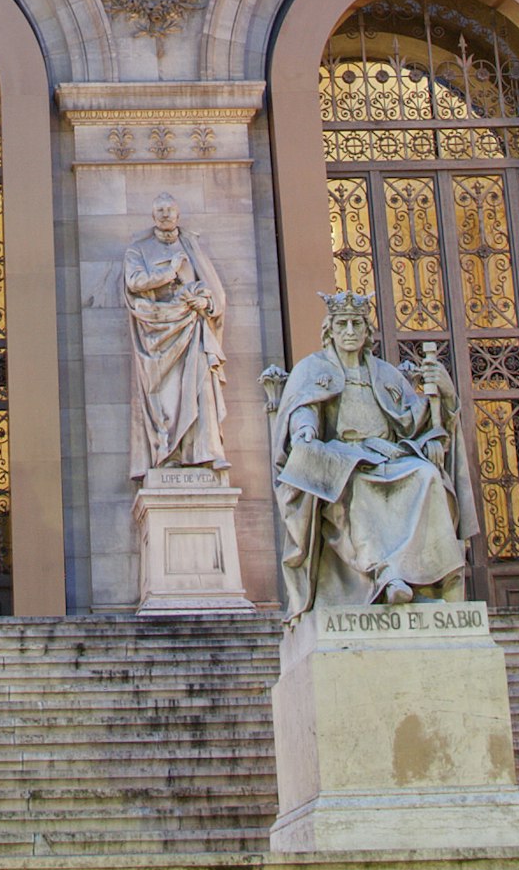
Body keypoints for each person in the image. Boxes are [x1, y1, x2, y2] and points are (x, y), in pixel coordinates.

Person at [272, 290, 468, 613]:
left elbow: (418, 421)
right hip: (344, 458)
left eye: (356, 324)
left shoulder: (386, 374)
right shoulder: (312, 369)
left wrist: (445, 394)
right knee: (355, 487)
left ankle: (444, 577)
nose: (350, 331)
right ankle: (385, 574)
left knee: (428, 476)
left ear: (367, 331)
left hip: (388, 457)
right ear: (330, 330)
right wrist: (303, 429)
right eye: (342, 324)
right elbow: (301, 408)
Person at [120, 200, 228, 478]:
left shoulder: (192, 248)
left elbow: (213, 290)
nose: (166, 213)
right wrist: (169, 271)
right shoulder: (139, 249)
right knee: (166, 396)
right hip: (157, 333)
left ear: (178, 214)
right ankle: (168, 455)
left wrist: (204, 300)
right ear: (152, 215)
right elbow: (134, 282)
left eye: (170, 209)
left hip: (192, 326)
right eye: (160, 209)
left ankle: (205, 452)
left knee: (201, 386)